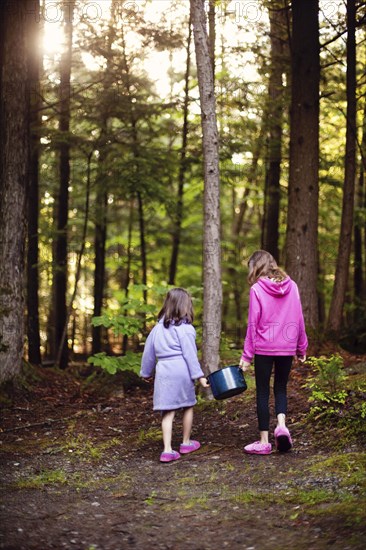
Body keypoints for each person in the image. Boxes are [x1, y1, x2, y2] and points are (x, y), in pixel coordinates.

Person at [239, 250, 307, 455]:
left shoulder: (257, 289)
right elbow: (299, 317)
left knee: (262, 391)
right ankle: (281, 426)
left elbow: (253, 324)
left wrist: (246, 355)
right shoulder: (292, 285)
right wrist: (301, 346)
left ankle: (264, 441)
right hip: (286, 347)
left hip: (264, 348)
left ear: (256, 267)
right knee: (280, 388)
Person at [140, 288, 209, 463]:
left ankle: (167, 449)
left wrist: (146, 373)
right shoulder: (185, 329)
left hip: (164, 371)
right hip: (182, 370)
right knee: (188, 406)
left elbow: (148, 353)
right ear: (185, 305)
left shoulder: (157, 329)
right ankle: (186, 442)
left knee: (167, 411)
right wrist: (199, 376)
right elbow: (190, 355)